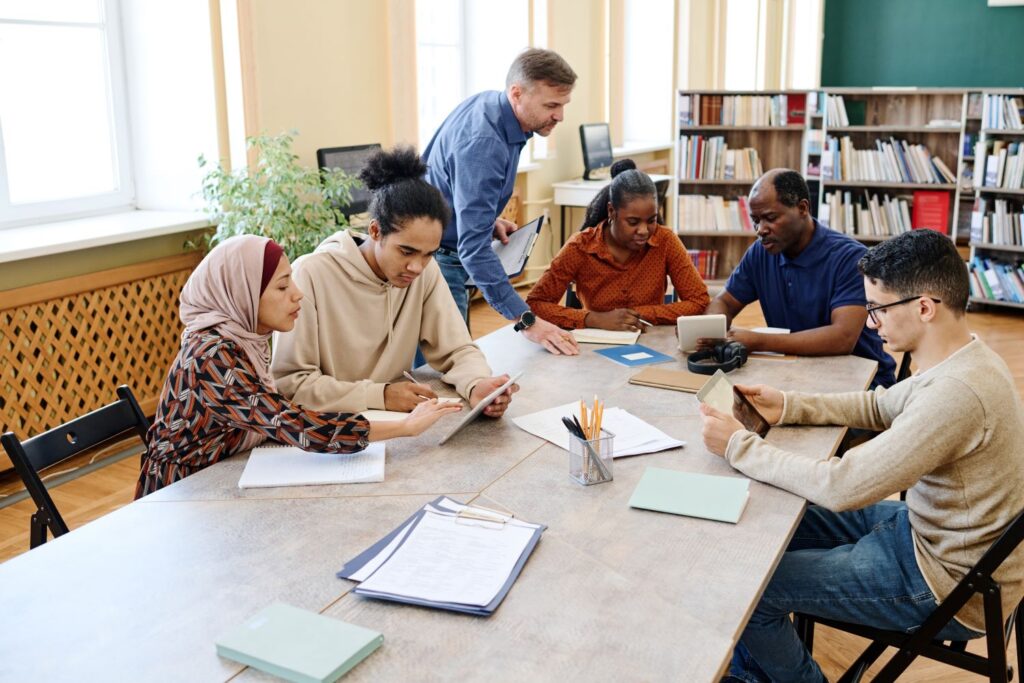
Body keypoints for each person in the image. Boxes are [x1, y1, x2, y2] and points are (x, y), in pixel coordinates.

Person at [699, 229, 1024, 682]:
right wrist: (789, 405)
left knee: (751, 591)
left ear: (924, 307)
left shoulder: (956, 394)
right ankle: (761, 671)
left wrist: (740, 445)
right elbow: (879, 405)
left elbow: (843, 485)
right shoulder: (965, 358)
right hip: (932, 534)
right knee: (774, 522)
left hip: (945, 581)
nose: (872, 323)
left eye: (878, 309)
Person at [136, 235, 460, 498]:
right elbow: (299, 426)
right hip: (181, 496)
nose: (297, 294)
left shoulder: (241, 335)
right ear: (243, 294)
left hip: (225, 475)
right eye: (281, 287)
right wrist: (406, 427)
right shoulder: (212, 357)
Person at [271, 146, 519, 416]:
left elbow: (457, 348)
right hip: (329, 429)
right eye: (406, 251)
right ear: (375, 231)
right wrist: (381, 394)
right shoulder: (310, 275)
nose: (416, 267)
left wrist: (476, 383)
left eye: (428, 254)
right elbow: (291, 384)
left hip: (395, 423)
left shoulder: (425, 272)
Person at [422, 47, 580, 356]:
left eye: (563, 104)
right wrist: (527, 322)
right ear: (517, 93)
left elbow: (449, 180)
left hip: (439, 242)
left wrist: (484, 219)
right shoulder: (485, 143)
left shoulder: (493, 107)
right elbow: (473, 248)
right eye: (551, 105)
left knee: (450, 361)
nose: (560, 115)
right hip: (435, 258)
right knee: (448, 364)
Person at [704, 169, 896, 387]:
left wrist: (757, 341)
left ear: (803, 208)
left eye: (770, 218)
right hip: (794, 374)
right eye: (755, 220)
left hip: (862, 383)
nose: (760, 230)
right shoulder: (760, 253)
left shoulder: (850, 258)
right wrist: (711, 329)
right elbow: (724, 302)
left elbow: (842, 338)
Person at [526, 160, 710, 331]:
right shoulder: (580, 247)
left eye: (651, 220)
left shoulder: (666, 241)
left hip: (650, 340)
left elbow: (700, 301)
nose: (644, 231)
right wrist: (594, 319)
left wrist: (639, 315)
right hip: (595, 346)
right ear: (611, 212)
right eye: (633, 222)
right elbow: (535, 304)